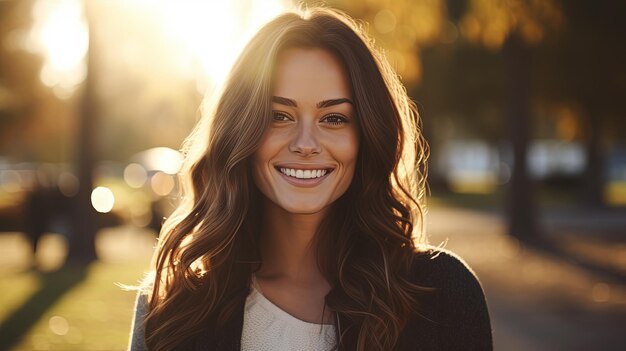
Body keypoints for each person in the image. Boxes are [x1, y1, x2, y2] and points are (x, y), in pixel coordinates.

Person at [129, 7, 492, 351]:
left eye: (333, 118)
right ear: (240, 133)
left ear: (366, 136)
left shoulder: (444, 293)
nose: (305, 144)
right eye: (279, 116)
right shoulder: (173, 306)